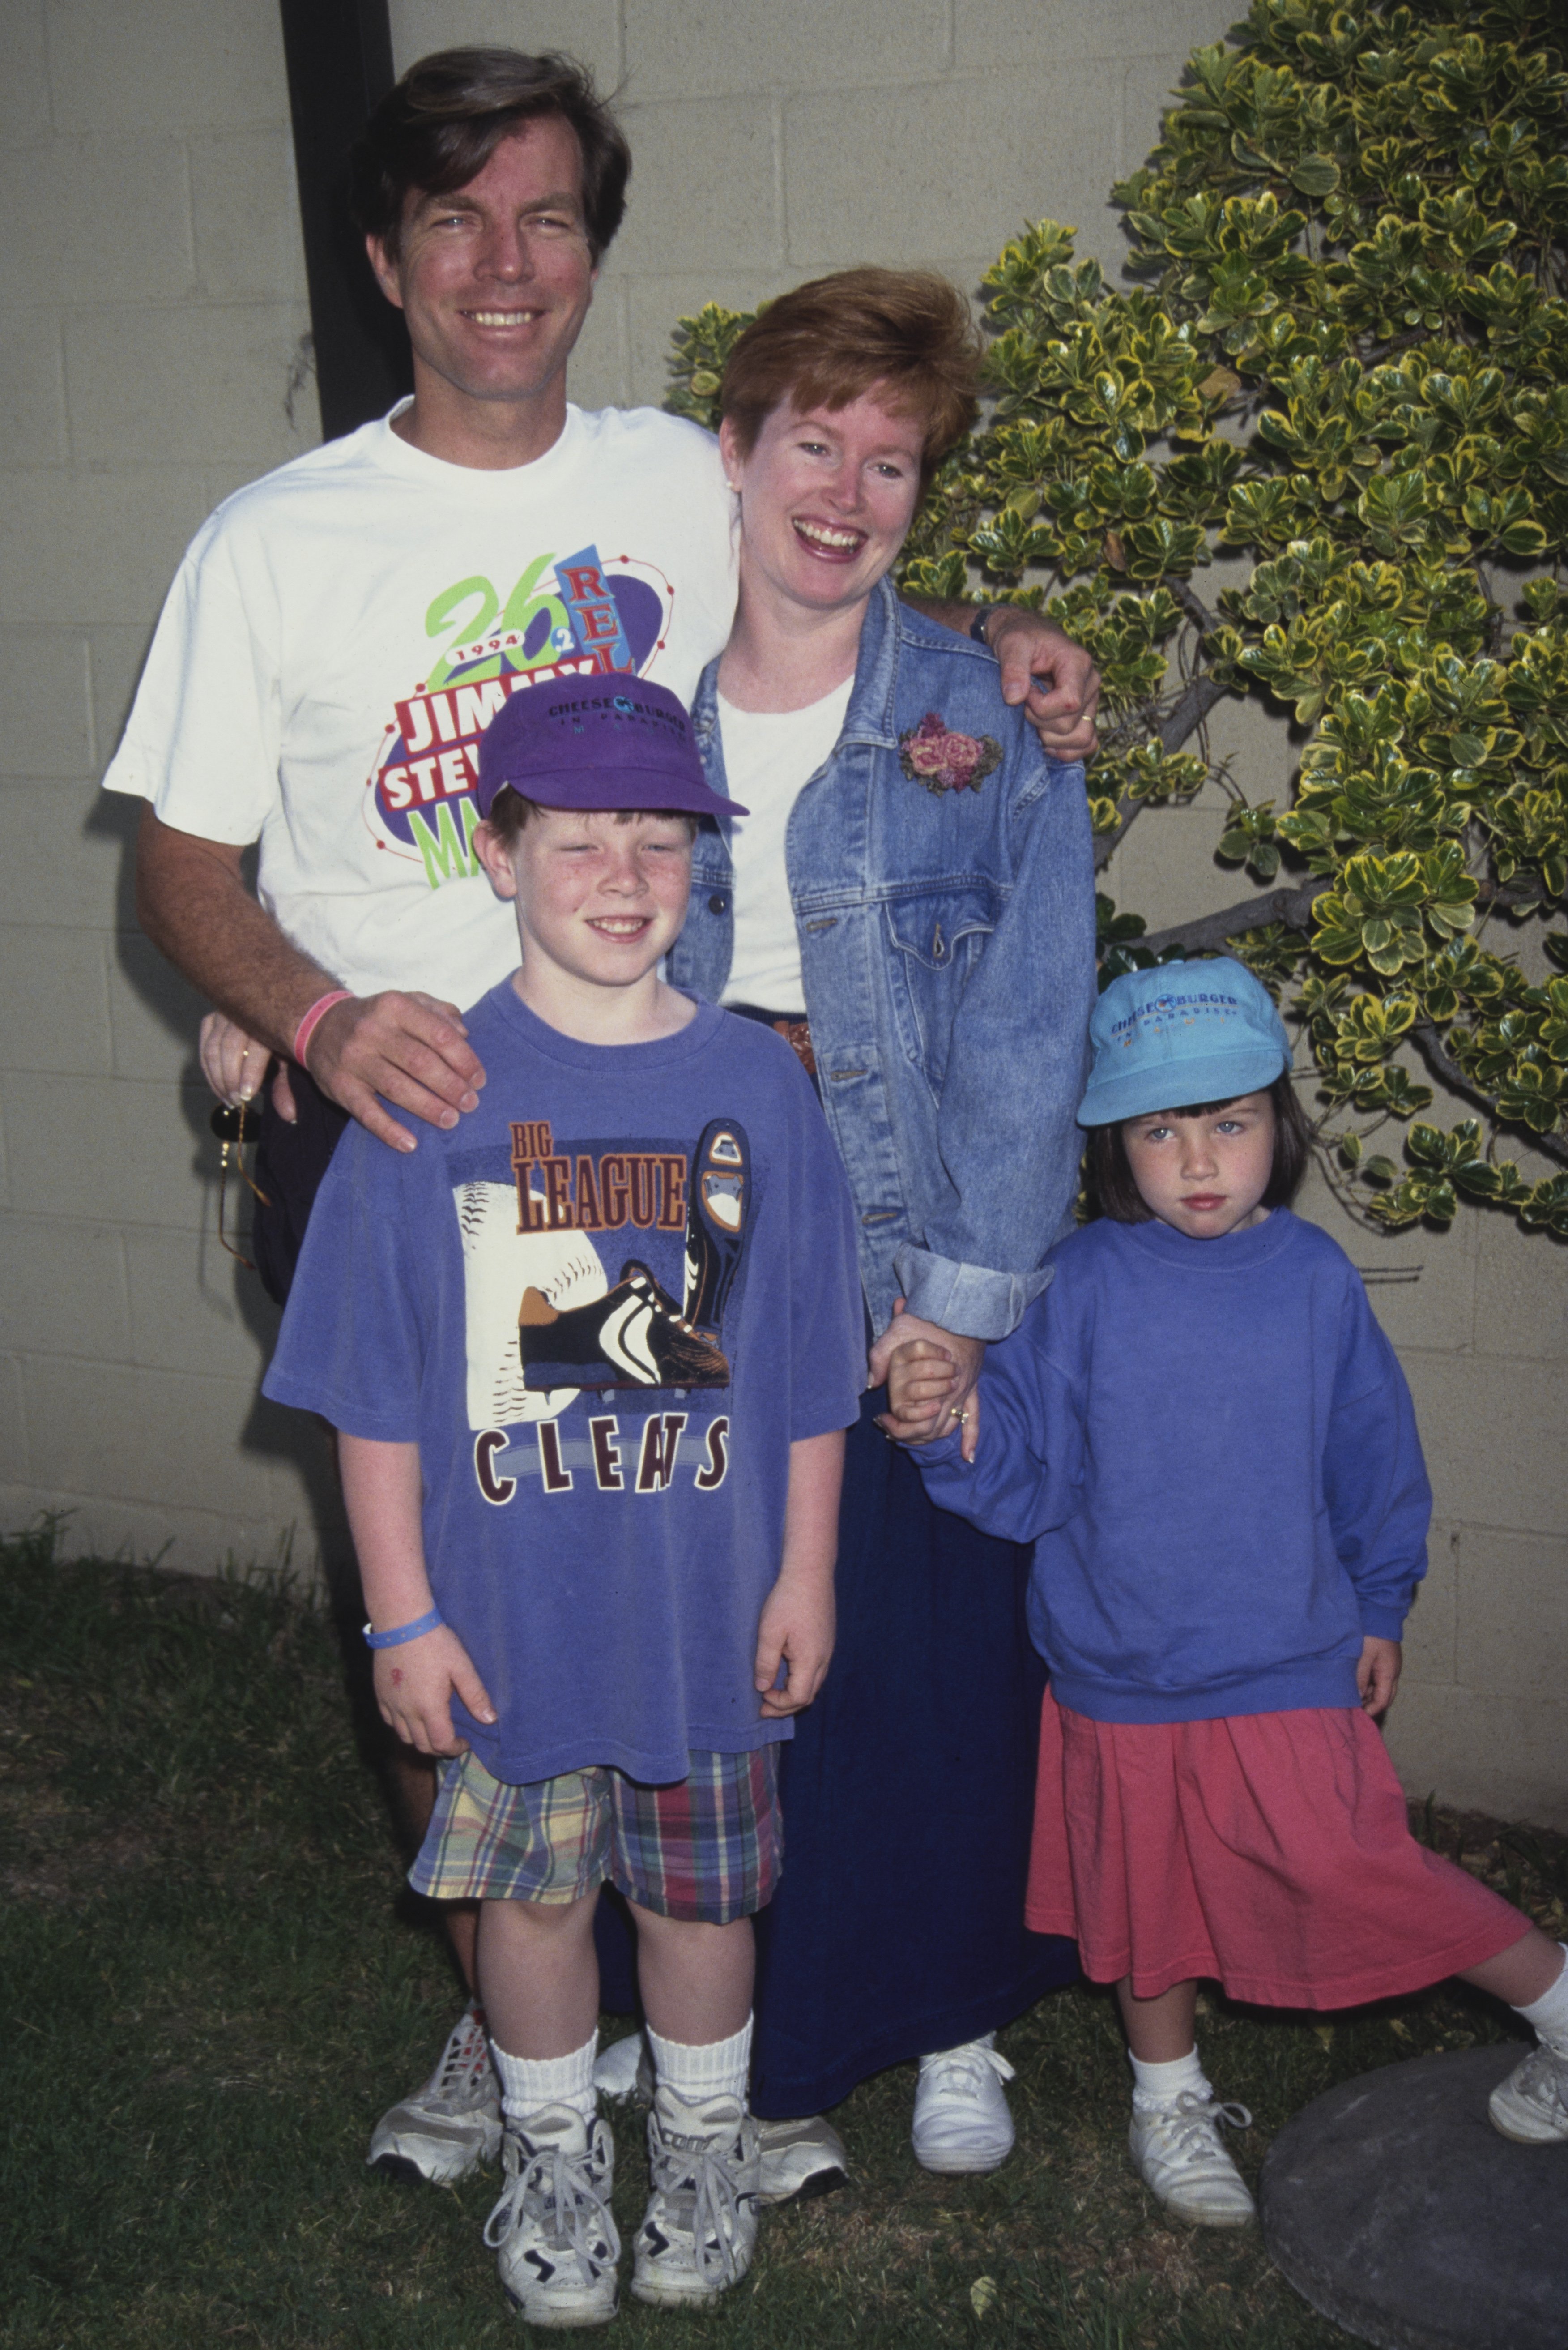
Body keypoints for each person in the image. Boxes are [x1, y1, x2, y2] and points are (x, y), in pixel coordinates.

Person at [100, 46, 1102, 2192]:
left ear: (593, 253)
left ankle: (709, 2032)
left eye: (547, 217)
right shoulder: (272, 539)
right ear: (384, 261)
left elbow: (840, 570)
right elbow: (180, 870)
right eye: (453, 220)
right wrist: (304, 1007)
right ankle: (509, 2021)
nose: (503, 263)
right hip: (413, 1119)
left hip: (684, 1114)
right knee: (455, 1588)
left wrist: (1003, 647)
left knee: (690, 1543)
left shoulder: (671, 466)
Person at [264, 674, 865, 2324]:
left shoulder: (761, 1083)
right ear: (499, 847)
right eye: (579, 835)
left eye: (659, 838)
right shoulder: (433, 1090)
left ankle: (700, 2143)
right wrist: (404, 1609)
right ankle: (548, 2153)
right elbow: (373, 1390)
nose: (622, 872)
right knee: (529, 1900)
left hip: (709, 1622)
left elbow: (810, 1364)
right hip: (510, 1627)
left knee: (698, 1897)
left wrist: (805, 1573)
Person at [885, 957, 1568, 2226]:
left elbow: (1377, 1461)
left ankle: (1560, 2005)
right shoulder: (1077, 1283)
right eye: (1161, 1127)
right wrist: (946, 1426)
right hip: (1117, 1675)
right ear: (1114, 1145)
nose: (1199, 1158)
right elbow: (1026, 1475)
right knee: (1148, 1907)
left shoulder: (1314, 1280)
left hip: (1283, 1662)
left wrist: (1381, 1604)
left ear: (1280, 1124)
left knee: (1355, 1860)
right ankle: (1171, 2101)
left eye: (1230, 1121)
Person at [643, 265, 1096, 2173]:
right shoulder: (624, 689)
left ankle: (959, 2005)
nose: (844, 492)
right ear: (735, 451)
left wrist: (968, 1305)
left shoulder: (980, 717)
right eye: (811, 441)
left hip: (905, 1235)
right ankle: (731, 2021)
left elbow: (1027, 1018)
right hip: (673, 1243)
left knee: (931, 1643)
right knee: (732, 1645)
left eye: (891, 460)